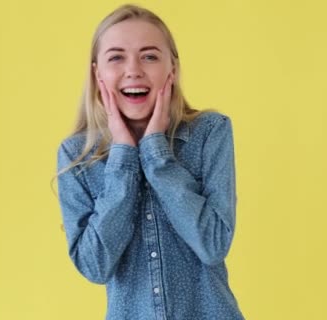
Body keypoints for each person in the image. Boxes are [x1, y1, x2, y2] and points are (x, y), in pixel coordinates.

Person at [56, 4, 245, 319]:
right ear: (96, 72)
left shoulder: (211, 133)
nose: (133, 70)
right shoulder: (77, 157)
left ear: (172, 69)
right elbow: (94, 266)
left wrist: (156, 153)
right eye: (116, 57)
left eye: (150, 56)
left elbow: (213, 245)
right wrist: (123, 158)